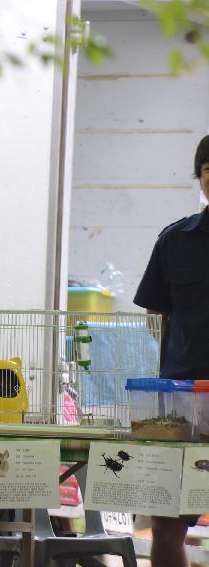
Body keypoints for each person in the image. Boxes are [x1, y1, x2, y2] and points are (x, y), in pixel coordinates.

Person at [134, 134, 209, 567]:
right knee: (166, 522)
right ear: (198, 177)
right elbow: (156, 316)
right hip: (181, 401)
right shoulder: (174, 240)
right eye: (207, 169)